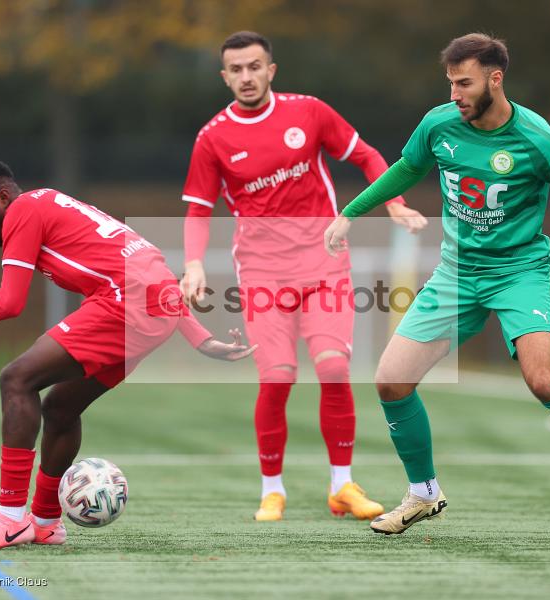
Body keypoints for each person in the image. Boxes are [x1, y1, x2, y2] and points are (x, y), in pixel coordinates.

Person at [324, 33, 550, 535]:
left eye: (464, 83)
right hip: (456, 274)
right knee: (391, 382)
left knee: (543, 380)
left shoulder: (538, 138)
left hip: (518, 273)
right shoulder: (438, 125)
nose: (454, 94)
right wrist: (350, 212)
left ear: (495, 78)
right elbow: (405, 169)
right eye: (450, 84)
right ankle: (423, 492)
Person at [0, 158, 254, 550]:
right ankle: (45, 522)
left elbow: (10, 303)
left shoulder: (24, 210)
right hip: (150, 308)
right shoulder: (54, 202)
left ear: (2, 196)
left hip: (124, 304)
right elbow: (151, 270)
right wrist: (203, 340)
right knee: (61, 407)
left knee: (16, 379)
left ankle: (10, 519)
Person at [180, 30, 429, 522]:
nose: (247, 77)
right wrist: (192, 263)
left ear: (271, 70)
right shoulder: (213, 137)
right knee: (276, 378)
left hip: (324, 264)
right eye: (237, 69)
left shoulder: (309, 112)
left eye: (255, 67)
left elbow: (367, 156)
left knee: (334, 369)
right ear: (225, 77)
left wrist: (394, 203)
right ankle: (272, 489)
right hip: (262, 274)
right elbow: (196, 210)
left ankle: (342, 485)